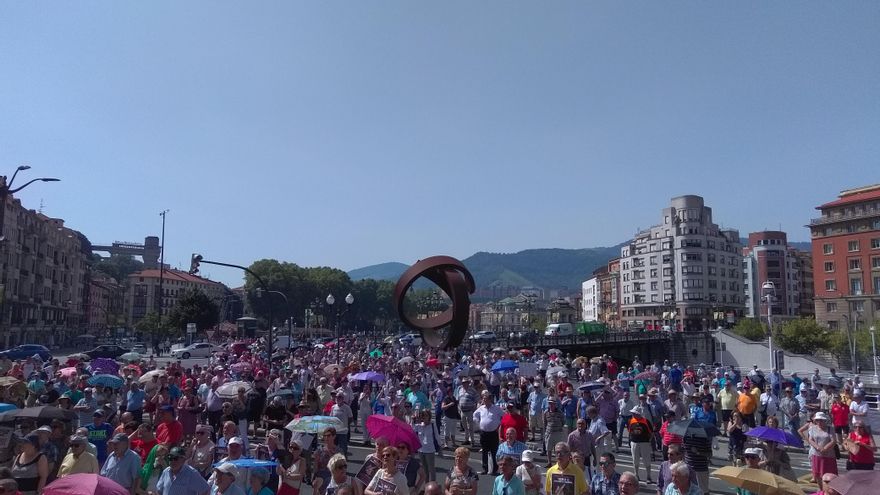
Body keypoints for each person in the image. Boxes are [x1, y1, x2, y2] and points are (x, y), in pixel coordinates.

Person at [800, 412, 837, 483]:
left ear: (824, 420)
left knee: (830, 476)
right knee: (818, 476)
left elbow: (833, 440)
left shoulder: (830, 428)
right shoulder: (812, 428)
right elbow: (810, 439)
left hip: (828, 455)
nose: (819, 422)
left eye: (821, 420)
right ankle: (821, 490)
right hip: (817, 454)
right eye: (817, 420)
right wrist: (818, 448)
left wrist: (825, 448)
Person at [473, 391, 503, 475]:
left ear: (490, 400)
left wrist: (499, 424)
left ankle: (495, 469)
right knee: (484, 451)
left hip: (493, 433)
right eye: (483, 399)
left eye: (486, 399)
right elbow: (475, 415)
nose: (484, 400)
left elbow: (504, 416)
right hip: (484, 433)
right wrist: (478, 423)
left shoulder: (496, 408)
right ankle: (485, 468)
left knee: (494, 451)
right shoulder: (481, 408)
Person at [413, 409, 442, 482]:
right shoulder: (418, 425)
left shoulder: (432, 424)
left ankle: (433, 485)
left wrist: (440, 446)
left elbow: (437, 435)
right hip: (421, 450)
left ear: (429, 416)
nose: (424, 417)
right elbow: (412, 431)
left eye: (426, 415)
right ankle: (426, 485)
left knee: (431, 469)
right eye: (422, 415)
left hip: (429, 450)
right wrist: (415, 421)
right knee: (425, 469)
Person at [627, 406, 653, 483]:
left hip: (644, 443)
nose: (633, 414)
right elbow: (629, 431)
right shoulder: (631, 421)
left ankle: (648, 476)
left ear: (638, 413)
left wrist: (649, 442)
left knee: (646, 460)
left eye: (634, 413)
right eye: (632, 413)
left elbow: (651, 433)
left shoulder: (645, 421)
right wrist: (630, 441)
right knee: (635, 459)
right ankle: (636, 475)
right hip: (634, 442)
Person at [543, 397, 566, 466]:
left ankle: (557, 462)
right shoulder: (546, 412)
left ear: (555, 404)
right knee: (548, 448)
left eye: (552, 403)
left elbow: (563, 421)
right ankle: (549, 462)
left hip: (558, 432)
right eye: (550, 403)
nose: (551, 405)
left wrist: (559, 427)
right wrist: (546, 431)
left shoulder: (560, 412)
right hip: (549, 432)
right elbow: (545, 422)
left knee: (557, 449)